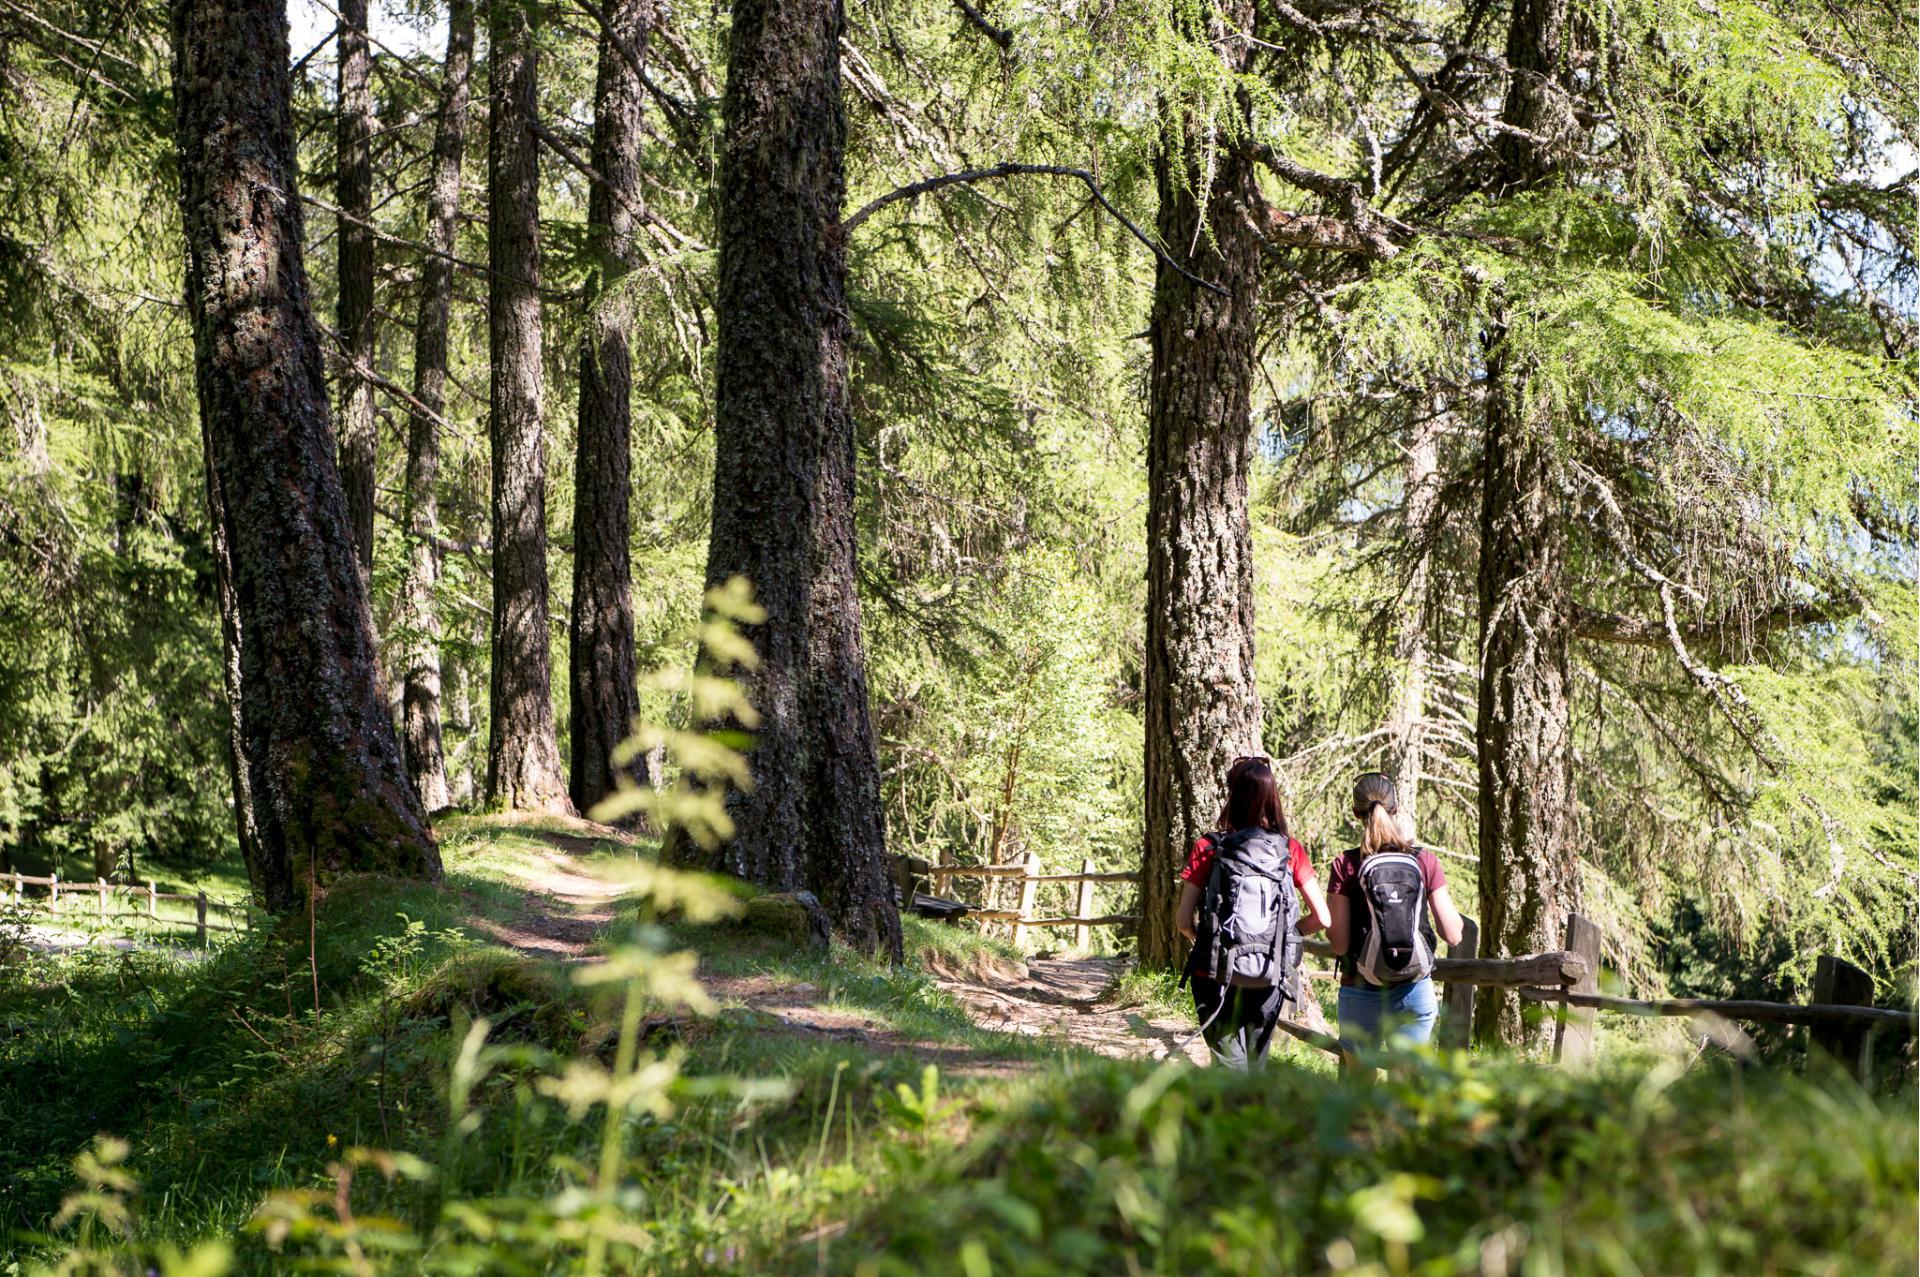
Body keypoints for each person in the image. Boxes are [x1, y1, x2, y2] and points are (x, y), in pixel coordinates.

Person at [1175, 756, 1332, 1070]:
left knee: (1227, 1066)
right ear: (1272, 798)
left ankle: (1225, 1116)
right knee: (1254, 1066)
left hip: (1215, 971)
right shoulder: (1290, 850)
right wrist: (1290, 935)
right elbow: (1323, 919)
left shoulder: (1208, 847)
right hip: (1269, 972)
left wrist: (1207, 940)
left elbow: (1182, 921)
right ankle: (1255, 1116)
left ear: (1232, 796)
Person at [1326, 772, 1464, 1053]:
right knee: (1406, 1086)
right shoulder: (1424, 860)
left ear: (1356, 813)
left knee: (1360, 1086)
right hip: (1413, 988)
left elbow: (1339, 944)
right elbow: (1453, 934)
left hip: (1361, 987)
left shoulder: (1345, 865)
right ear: (1396, 808)